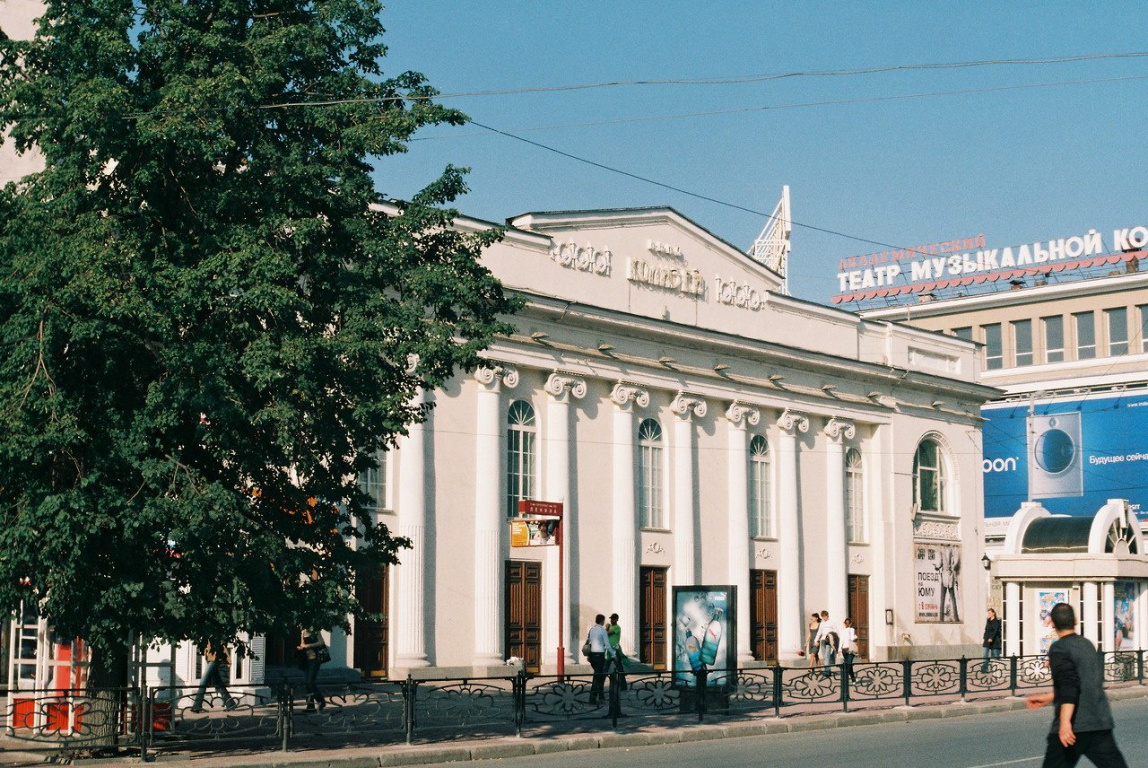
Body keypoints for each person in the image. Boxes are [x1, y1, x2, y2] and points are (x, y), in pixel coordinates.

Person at [1026, 603, 1129, 768]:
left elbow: (1069, 684)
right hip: (1099, 722)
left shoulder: (1059, 648)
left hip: (1074, 727)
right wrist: (1048, 697)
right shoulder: (1087, 645)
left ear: (1052, 622)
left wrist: (1065, 721)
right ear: (1075, 620)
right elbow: (1086, 681)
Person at [190, 640, 237, 712]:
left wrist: (228, 660)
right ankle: (230, 704)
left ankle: (197, 705)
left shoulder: (215, 636)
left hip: (215, 660)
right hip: (210, 660)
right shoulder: (206, 636)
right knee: (218, 684)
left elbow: (223, 647)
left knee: (203, 682)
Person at [297, 629, 328, 711]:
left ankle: (321, 700)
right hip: (306, 659)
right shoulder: (303, 632)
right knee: (307, 683)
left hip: (315, 659)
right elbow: (302, 643)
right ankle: (310, 705)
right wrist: (301, 647)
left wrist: (309, 646)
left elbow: (321, 642)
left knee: (310, 682)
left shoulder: (315, 630)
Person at [585, 614, 613, 706]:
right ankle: (593, 698)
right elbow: (607, 644)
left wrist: (588, 655)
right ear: (602, 621)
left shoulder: (592, 629)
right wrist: (613, 654)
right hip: (599, 656)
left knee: (599, 676)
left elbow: (588, 642)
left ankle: (601, 696)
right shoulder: (602, 630)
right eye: (603, 620)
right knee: (597, 678)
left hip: (592, 656)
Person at [813, 610, 840, 678]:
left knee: (827, 655)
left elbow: (836, 631)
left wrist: (834, 640)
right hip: (823, 640)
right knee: (824, 656)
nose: (824, 618)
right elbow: (819, 632)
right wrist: (816, 640)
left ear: (827, 616)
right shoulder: (822, 623)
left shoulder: (832, 622)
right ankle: (827, 669)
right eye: (822, 617)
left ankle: (826, 671)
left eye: (825, 616)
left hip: (829, 640)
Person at [606, 613, 628, 690]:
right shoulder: (610, 627)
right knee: (605, 667)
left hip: (615, 649)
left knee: (619, 668)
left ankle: (623, 685)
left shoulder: (617, 627)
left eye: (613, 619)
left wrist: (606, 629)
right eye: (611, 619)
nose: (611, 620)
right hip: (608, 650)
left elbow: (607, 633)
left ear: (617, 619)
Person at [982, 607, 1003, 673]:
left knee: (996, 655)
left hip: (994, 641)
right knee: (985, 655)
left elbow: (995, 631)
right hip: (986, 640)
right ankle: (984, 669)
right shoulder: (988, 620)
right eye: (988, 613)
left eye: (990, 613)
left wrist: (991, 638)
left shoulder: (996, 621)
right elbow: (986, 629)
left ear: (993, 613)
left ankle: (999, 669)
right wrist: (985, 636)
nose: (989, 614)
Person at [839, 618, 858, 683]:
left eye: (847, 623)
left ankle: (845, 680)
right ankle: (853, 679)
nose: (847, 624)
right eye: (846, 623)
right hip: (846, 649)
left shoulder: (848, 630)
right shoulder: (847, 630)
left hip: (847, 649)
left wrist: (839, 650)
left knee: (848, 664)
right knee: (849, 665)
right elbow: (842, 640)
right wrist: (839, 649)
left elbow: (842, 640)